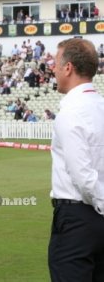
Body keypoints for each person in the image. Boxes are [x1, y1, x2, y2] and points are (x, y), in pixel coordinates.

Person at [48, 38, 104, 282]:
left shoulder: (70, 112)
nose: (52, 68)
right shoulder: (100, 106)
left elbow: (82, 176)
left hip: (78, 217)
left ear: (68, 68)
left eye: (55, 63)